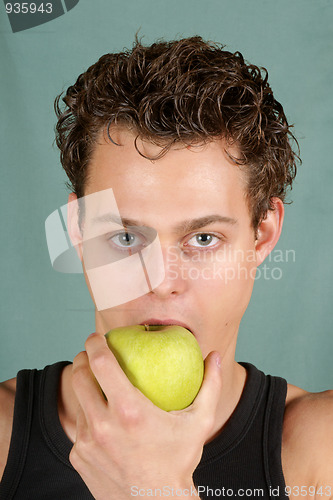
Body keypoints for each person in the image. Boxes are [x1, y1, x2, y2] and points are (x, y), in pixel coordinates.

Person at [0, 36, 332, 500]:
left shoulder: (321, 450)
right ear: (77, 231)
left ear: (263, 235)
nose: (160, 282)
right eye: (125, 237)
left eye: (202, 239)